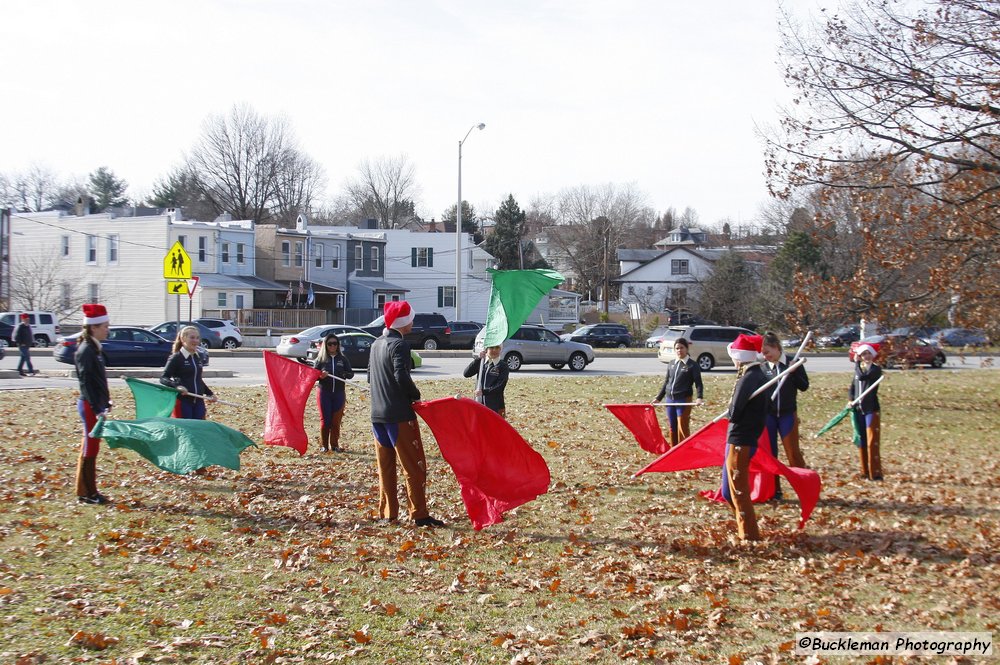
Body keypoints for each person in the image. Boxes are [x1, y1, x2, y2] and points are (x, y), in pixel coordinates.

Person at [369, 301, 444, 527]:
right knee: (414, 466)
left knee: (386, 468)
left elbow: (371, 379)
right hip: (399, 415)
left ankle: (387, 513)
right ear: (404, 322)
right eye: (411, 318)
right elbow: (401, 375)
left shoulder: (376, 344)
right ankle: (419, 514)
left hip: (377, 415)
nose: (413, 322)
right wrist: (415, 394)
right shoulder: (399, 345)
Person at [719, 334, 769, 542]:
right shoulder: (753, 374)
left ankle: (748, 535)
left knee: (738, 489)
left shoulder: (750, 378)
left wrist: (729, 412)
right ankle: (742, 526)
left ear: (740, 356)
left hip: (741, 439)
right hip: (739, 437)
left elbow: (736, 411)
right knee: (728, 490)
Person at [761, 332, 809, 499]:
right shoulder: (763, 367)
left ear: (776, 347)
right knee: (770, 454)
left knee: (793, 452)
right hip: (769, 416)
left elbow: (804, 386)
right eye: (762, 353)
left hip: (787, 415)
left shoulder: (792, 362)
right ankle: (774, 490)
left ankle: (804, 488)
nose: (765, 356)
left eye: (767, 352)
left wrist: (794, 371)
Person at [75, 304, 112, 505]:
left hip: (96, 405)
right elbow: (86, 383)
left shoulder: (94, 348)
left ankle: (85, 490)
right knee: (90, 449)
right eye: (105, 326)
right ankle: (88, 493)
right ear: (93, 327)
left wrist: (106, 402)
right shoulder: (86, 350)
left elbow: (99, 381)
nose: (108, 329)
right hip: (90, 406)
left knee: (91, 448)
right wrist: (97, 408)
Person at [653, 337, 703, 446]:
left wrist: (699, 397)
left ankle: (685, 449)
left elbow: (698, 383)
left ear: (686, 348)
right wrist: (658, 398)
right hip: (669, 400)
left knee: (682, 426)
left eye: (682, 348)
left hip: (683, 399)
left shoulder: (692, 365)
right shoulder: (671, 364)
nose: (679, 350)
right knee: (672, 426)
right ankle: (673, 449)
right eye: (677, 348)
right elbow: (667, 382)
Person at [312, 333, 354, 452]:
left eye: (335, 344)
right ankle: (324, 446)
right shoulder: (320, 359)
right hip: (324, 393)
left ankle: (334, 445)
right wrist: (321, 376)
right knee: (326, 421)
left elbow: (351, 374)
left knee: (336, 421)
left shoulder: (343, 359)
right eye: (330, 344)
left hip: (339, 394)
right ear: (325, 345)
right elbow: (313, 376)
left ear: (338, 345)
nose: (332, 346)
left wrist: (344, 374)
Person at [850, 343, 883, 480]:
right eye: (863, 354)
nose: (866, 356)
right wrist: (850, 399)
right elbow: (852, 387)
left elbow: (864, 377)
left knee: (871, 442)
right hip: (858, 409)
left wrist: (856, 363)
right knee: (861, 441)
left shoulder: (875, 369)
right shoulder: (858, 370)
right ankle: (864, 471)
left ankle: (875, 473)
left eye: (868, 353)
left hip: (871, 410)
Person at [463, 344, 510, 418]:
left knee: (494, 427)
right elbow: (466, 374)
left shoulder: (503, 365)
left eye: (497, 348)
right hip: (479, 403)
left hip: (495, 405)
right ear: (486, 349)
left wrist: (484, 392)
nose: (494, 350)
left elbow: (501, 385)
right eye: (491, 347)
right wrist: (478, 359)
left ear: (500, 350)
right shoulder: (481, 363)